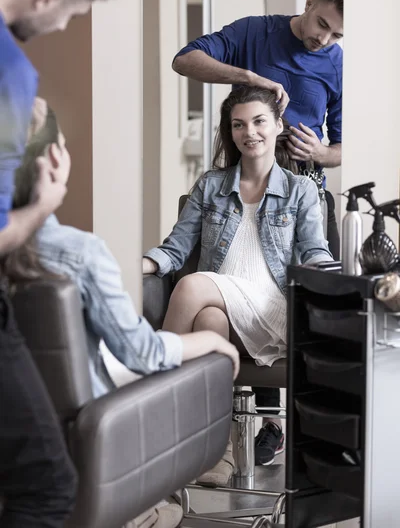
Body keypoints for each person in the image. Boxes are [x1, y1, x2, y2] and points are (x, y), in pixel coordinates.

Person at [4, 103, 240, 528]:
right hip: (94, 437)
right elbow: (142, 353)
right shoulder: (81, 252)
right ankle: (142, 510)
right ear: (56, 158)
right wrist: (212, 342)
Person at [143, 85, 332, 486]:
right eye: (239, 124)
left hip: (271, 308)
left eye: (260, 121)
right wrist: (141, 264)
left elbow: (315, 251)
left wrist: (332, 283)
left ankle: (150, 411)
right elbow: (175, 248)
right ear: (230, 132)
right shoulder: (210, 185)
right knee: (209, 320)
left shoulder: (301, 190)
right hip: (224, 306)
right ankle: (219, 454)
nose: (250, 132)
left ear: (278, 125)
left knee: (193, 288)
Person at [0, 0, 121, 525]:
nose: (65, 28)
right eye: (73, 13)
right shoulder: (8, 72)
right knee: (47, 485)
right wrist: (46, 202)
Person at [172, 0, 343, 173]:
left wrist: (320, 153)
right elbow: (184, 61)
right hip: (243, 184)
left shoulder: (338, 65)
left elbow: (343, 148)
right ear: (309, 3)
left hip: (305, 188)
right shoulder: (253, 32)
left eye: (336, 35)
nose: (323, 39)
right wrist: (248, 77)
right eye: (322, 24)